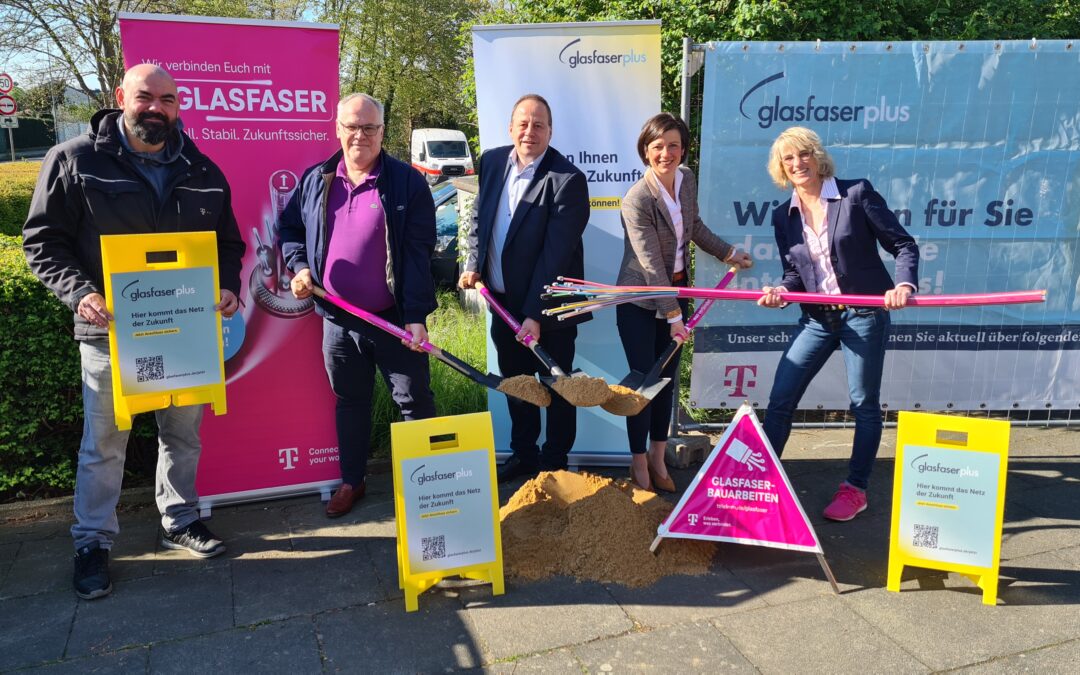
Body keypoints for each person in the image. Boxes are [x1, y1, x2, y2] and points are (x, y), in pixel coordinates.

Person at [23, 64, 246, 600]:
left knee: (183, 434)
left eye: (167, 100)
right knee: (104, 444)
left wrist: (228, 285)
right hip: (109, 333)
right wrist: (80, 292)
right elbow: (43, 241)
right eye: (145, 97)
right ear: (121, 96)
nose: (156, 108)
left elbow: (228, 243)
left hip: (186, 331)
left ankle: (179, 519)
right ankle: (92, 543)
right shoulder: (74, 160)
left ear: (178, 106)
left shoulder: (201, 167)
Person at [279, 93, 437, 517]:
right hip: (337, 320)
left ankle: (427, 488)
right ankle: (352, 480)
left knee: (414, 402)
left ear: (383, 132)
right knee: (350, 401)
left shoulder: (406, 183)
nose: (360, 135)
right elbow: (290, 229)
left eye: (370, 127)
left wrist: (416, 316)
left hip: (393, 322)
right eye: (352, 126)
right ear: (338, 129)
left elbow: (418, 254)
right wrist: (300, 267)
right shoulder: (316, 180)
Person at [757, 126, 919, 522]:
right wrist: (781, 291)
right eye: (788, 158)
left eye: (804, 154)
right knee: (780, 401)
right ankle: (758, 483)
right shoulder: (783, 216)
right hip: (817, 319)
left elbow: (903, 244)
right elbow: (794, 274)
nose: (797, 163)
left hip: (863, 315)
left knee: (863, 403)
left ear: (818, 157)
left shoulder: (856, 194)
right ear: (781, 167)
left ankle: (855, 489)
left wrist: (903, 284)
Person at [616, 113, 753, 492]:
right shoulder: (637, 199)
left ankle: (658, 457)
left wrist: (728, 253)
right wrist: (674, 316)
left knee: (666, 382)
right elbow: (651, 266)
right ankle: (638, 463)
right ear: (646, 151)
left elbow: (693, 227)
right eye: (658, 146)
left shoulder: (686, 179)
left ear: (683, 149)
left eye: (673, 145)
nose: (666, 153)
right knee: (642, 386)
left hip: (677, 295)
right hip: (640, 302)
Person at [458, 94, 590, 482]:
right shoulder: (492, 161)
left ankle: (555, 463)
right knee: (517, 385)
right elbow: (478, 218)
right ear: (510, 127)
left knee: (557, 386)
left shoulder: (567, 180)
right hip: (502, 304)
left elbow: (556, 257)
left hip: (550, 308)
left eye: (539, 125)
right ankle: (524, 455)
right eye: (523, 123)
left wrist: (534, 314)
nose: (530, 131)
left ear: (550, 131)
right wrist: (472, 263)